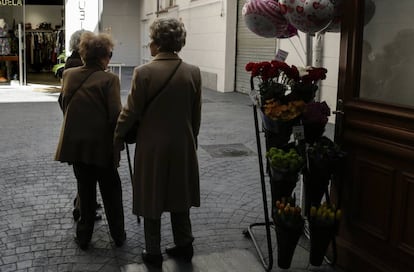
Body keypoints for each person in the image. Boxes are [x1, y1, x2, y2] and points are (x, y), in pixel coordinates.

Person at [113, 17, 202, 268]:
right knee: (180, 196)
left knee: (151, 197)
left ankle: (153, 251)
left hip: (152, 147)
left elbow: (130, 112)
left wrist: (118, 136)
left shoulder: (144, 73)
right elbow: (196, 116)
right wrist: (191, 139)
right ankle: (184, 244)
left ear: (157, 43)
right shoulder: (192, 72)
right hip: (182, 144)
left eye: (151, 40)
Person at [55, 32, 126, 250]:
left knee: (85, 191)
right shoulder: (110, 79)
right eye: (110, 54)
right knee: (112, 191)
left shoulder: (69, 75)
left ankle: (84, 236)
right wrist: (122, 139)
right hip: (101, 147)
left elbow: (64, 103)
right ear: (104, 56)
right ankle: (118, 235)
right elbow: (116, 115)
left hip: (77, 146)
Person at [63, 29, 103, 223]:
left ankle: (84, 204)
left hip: (75, 126)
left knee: (84, 174)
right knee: (87, 175)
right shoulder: (78, 65)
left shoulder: (70, 63)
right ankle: (82, 207)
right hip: (86, 127)